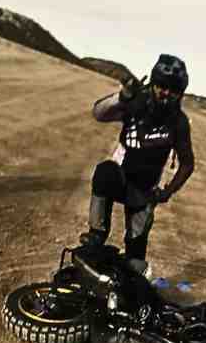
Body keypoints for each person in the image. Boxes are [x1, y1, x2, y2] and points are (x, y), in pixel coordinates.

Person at [79, 54, 195, 277]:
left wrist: (167, 192)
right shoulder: (137, 102)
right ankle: (97, 233)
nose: (166, 93)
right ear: (153, 83)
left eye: (173, 90)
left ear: (181, 93)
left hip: (144, 192)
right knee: (105, 170)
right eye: (161, 86)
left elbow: (187, 164)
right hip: (119, 179)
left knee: (134, 260)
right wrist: (122, 97)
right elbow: (98, 113)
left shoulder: (179, 122)